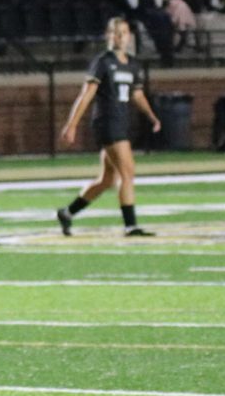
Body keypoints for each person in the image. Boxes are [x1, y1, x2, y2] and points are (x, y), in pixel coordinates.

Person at [57, 17, 162, 238]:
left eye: (124, 32)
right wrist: (71, 124)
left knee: (106, 179)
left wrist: (152, 116)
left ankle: (67, 212)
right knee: (128, 172)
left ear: (129, 36)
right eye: (116, 32)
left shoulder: (132, 63)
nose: (120, 36)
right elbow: (86, 95)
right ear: (108, 35)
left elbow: (137, 94)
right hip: (107, 121)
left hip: (121, 122)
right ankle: (130, 225)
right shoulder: (102, 61)